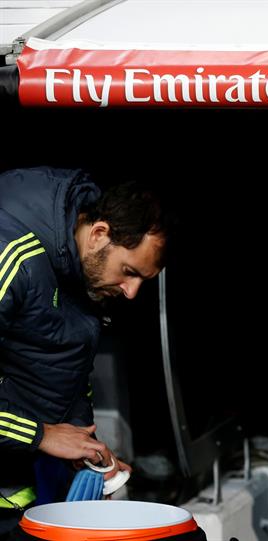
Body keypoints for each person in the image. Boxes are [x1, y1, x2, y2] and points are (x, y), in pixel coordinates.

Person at [0, 167, 171, 533]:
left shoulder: (77, 268)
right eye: (129, 271)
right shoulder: (11, 254)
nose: (131, 292)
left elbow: (60, 364)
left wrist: (86, 448)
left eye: (143, 279)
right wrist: (41, 435)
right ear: (98, 234)